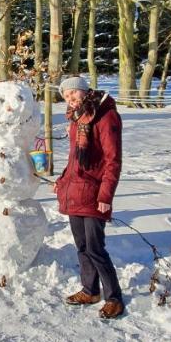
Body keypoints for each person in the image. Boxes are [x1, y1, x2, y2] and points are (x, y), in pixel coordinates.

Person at [53, 76, 125, 319]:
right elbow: (74, 160)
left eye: (73, 94)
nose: (70, 100)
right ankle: (90, 290)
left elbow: (112, 161)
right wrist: (62, 181)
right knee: (82, 246)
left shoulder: (105, 116)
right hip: (76, 191)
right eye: (66, 96)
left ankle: (114, 296)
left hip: (94, 193)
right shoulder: (77, 119)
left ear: (85, 91)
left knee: (96, 248)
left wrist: (106, 194)